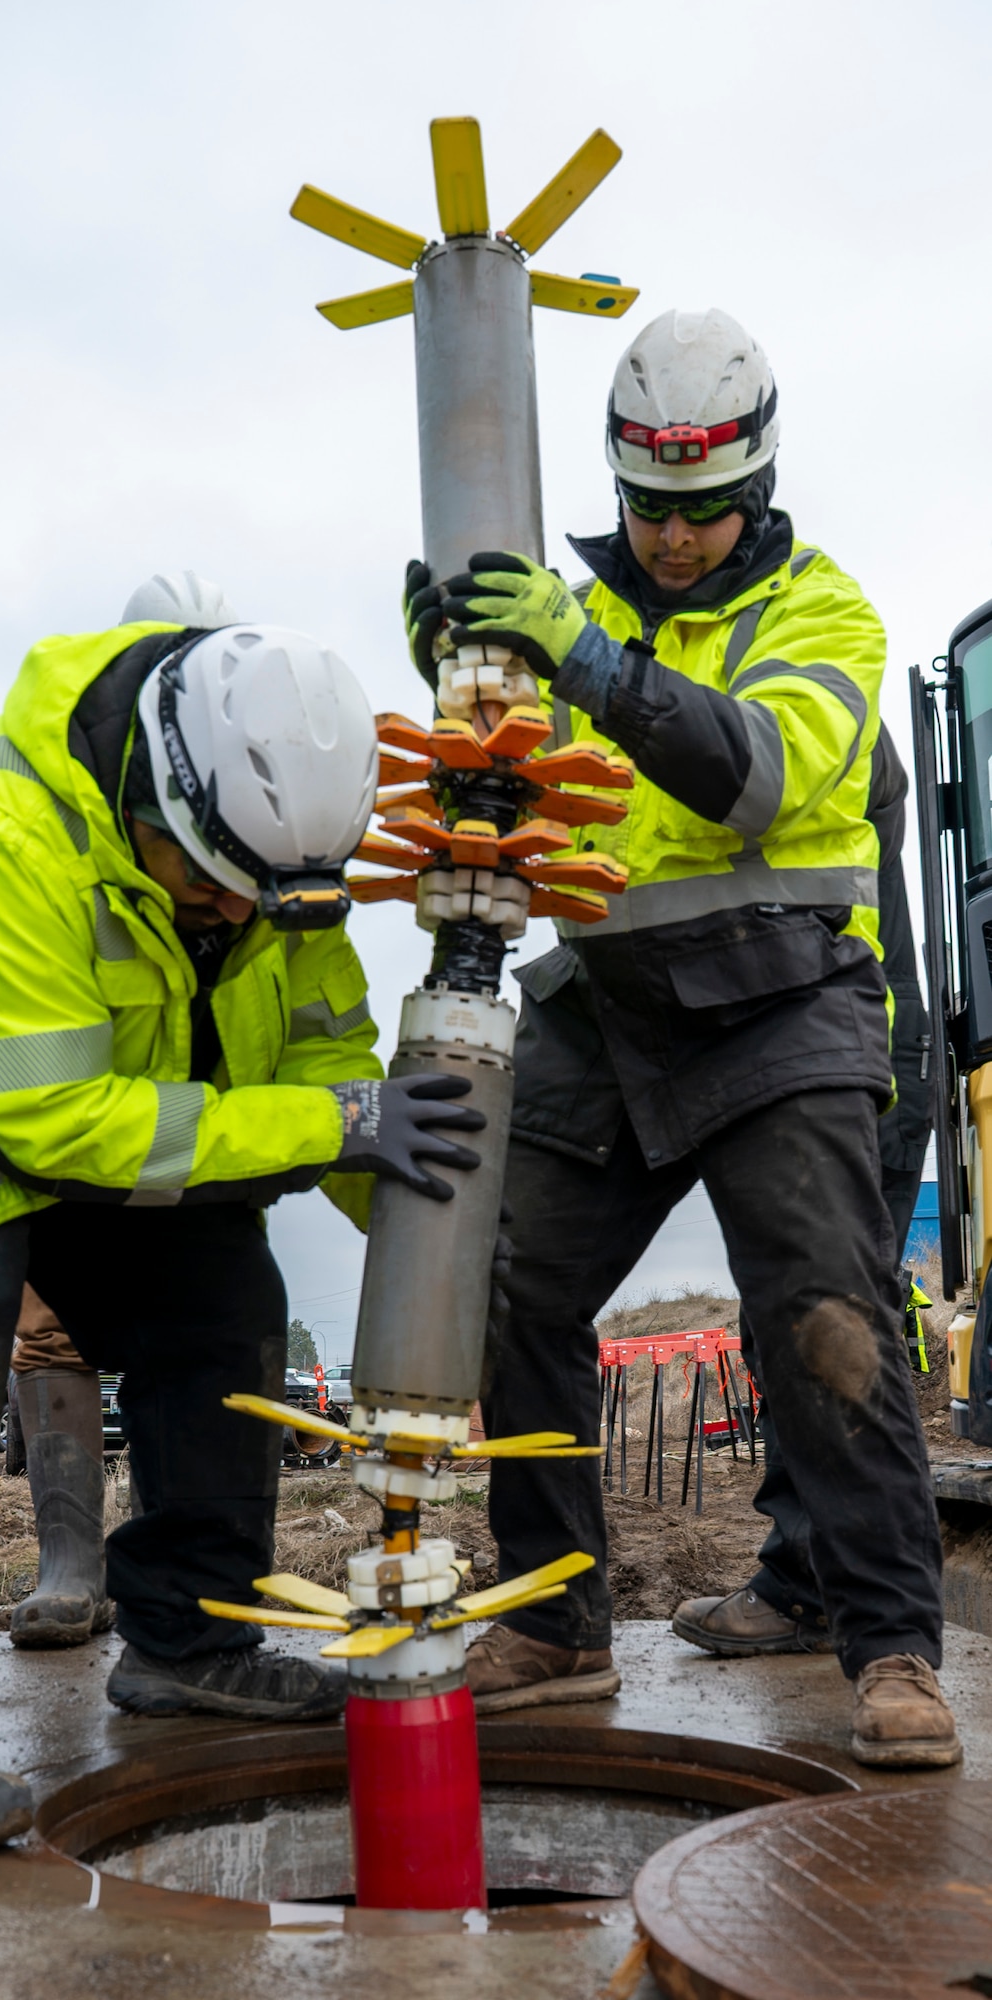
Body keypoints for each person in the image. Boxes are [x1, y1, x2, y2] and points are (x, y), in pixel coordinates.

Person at [0, 610, 487, 1858]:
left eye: (264, 899)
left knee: (221, 1293)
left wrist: (437, 1259)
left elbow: (333, 1068)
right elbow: (54, 1126)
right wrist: (332, 1121)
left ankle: (190, 1642)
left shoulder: (278, 851)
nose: (235, 915)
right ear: (153, 796)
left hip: (90, 1096)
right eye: (210, 886)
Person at [403, 306, 960, 1769]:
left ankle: (894, 1645)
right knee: (508, 1286)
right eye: (648, 507)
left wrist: (581, 655)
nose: (672, 538)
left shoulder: (821, 613)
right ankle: (556, 1614)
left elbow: (756, 778)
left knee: (827, 1316)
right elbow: (504, 785)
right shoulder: (561, 596)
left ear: (756, 488)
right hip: (606, 1005)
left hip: (785, 1003)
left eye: (704, 512)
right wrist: (461, 675)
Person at [6, 571, 242, 1651]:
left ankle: (179, 1587)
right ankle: (71, 1561)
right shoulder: (65, 812)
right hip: (74, 1126)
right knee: (46, 1332)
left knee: (210, 1316)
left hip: (191, 1137)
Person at [673, 718, 936, 1658]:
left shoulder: (832, 737)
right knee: (788, 1320)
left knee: (824, 1327)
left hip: (862, 1061)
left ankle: (817, 1593)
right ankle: (810, 1580)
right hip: (831, 1053)